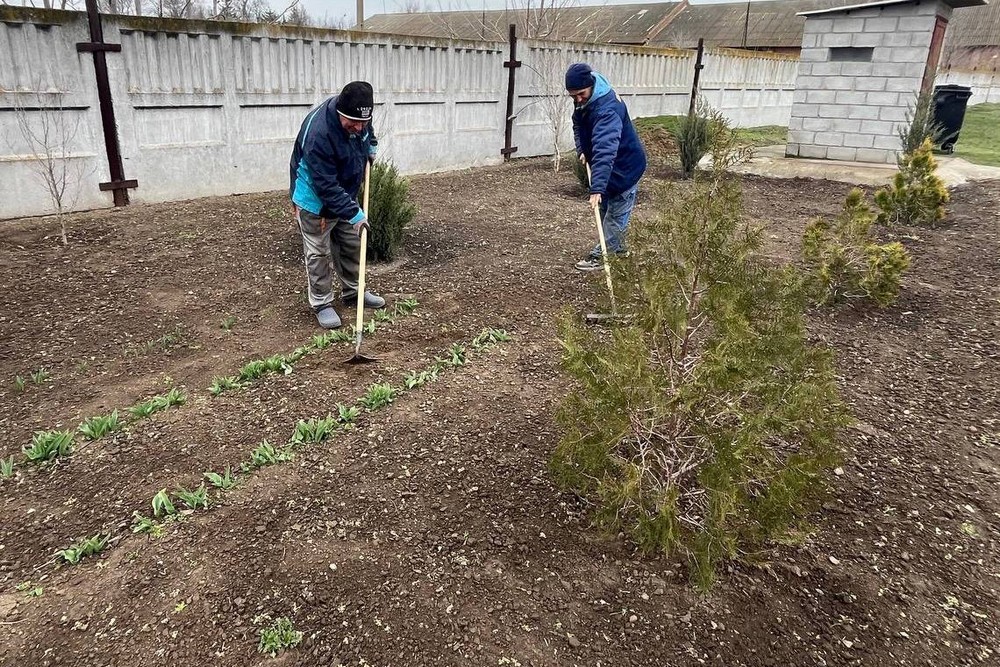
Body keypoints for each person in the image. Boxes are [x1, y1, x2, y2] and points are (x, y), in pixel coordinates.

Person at [289, 80, 385, 329]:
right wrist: (355, 214)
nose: (358, 127)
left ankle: (354, 292)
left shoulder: (359, 115)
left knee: (352, 244)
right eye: (353, 122)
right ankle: (321, 302)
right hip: (315, 202)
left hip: (344, 193)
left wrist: (370, 144)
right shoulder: (319, 133)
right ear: (340, 113)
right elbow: (325, 186)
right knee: (319, 254)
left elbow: (366, 130)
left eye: (363, 121)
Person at [565, 63, 647, 272]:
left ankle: (602, 256)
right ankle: (618, 248)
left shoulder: (607, 109)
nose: (577, 100)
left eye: (580, 94)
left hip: (625, 168)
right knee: (605, 210)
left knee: (615, 213)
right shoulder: (586, 100)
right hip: (611, 166)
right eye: (573, 96)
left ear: (590, 85)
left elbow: (605, 150)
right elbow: (578, 123)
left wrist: (597, 188)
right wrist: (582, 148)